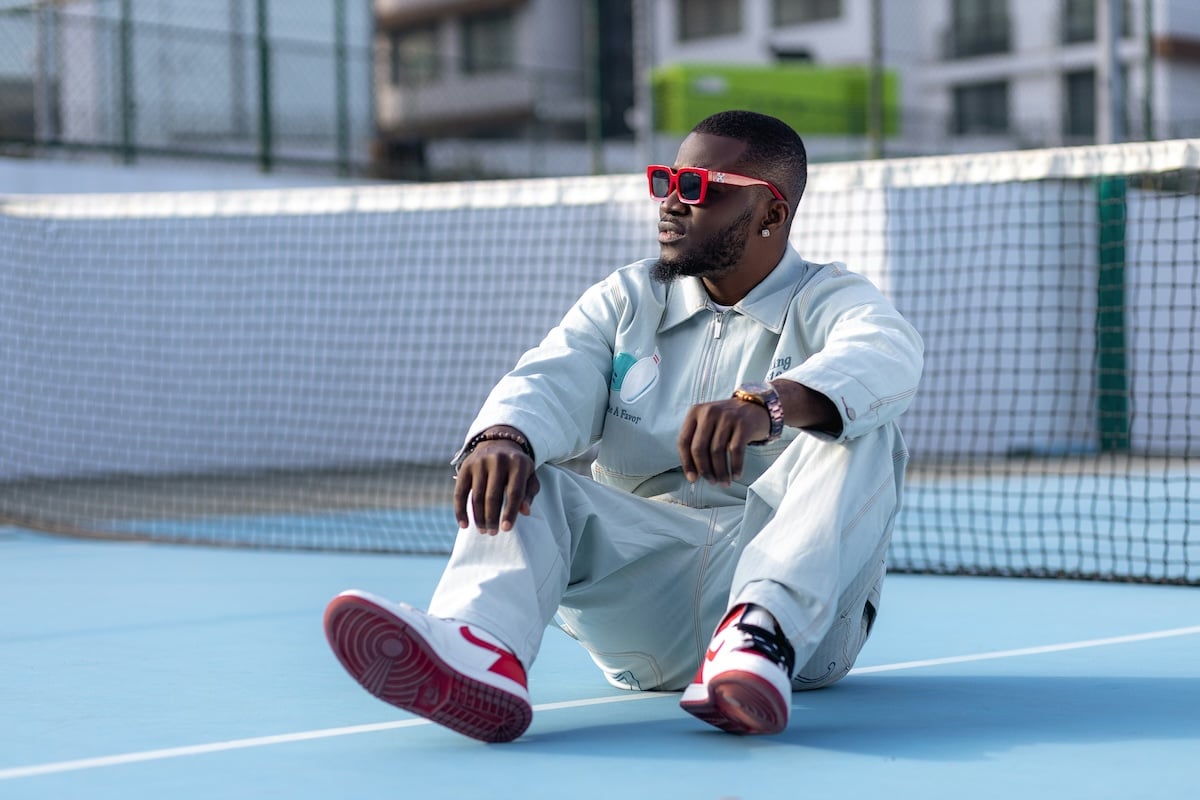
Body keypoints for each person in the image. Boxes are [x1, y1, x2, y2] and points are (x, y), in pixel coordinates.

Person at [323, 110, 923, 743]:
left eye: (699, 187)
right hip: (645, 602)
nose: (671, 203)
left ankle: (754, 636)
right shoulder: (626, 298)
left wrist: (769, 404)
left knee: (863, 432)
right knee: (535, 476)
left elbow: (887, 351)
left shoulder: (829, 298)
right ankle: (482, 645)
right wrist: (504, 435)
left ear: (771, 214)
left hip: (801, 627)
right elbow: (549, 376)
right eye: (665, 180)